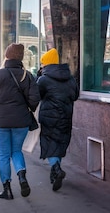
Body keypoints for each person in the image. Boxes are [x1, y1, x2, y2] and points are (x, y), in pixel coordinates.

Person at [0, 43, 40, 200]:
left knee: (3, 154)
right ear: (21, 57)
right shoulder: (27, 75)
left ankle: (6, 189)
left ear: (6, 56)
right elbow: (35, 98)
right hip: (21, 121)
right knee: (16, 151)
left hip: (1, 121)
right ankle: (22, 176)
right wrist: (26, 108)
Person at [36, 48, 79, 191]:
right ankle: (55, 173)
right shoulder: (70, 78)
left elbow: (37, 96)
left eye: (42, 64)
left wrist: (38, 79)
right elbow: (75, 96)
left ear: (46, 64)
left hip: (49, 118)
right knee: (59, 144)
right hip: (66, 116)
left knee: (50, 145)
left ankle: (56, 168)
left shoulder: (44, 79)